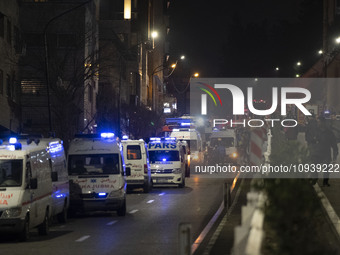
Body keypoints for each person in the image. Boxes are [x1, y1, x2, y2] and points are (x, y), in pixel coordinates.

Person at [313, 116, 338, 186]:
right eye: (317, 122)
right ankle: (314, 179)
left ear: (323, 122)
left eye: (319, 122)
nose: (318, 123)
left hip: (326, 153)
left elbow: (334, 144)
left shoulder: (329, 133)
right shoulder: (316, 131)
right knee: (314, 168)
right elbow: (311, 141)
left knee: (326, 169)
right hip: (317, 153)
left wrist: (335, 155)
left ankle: (325, 181)